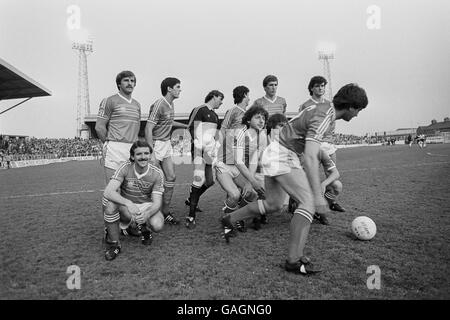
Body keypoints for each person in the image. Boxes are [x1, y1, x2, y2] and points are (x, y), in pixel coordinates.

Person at [220, 83, 368, 275]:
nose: (357, 115)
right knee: (307, 203)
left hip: (276, 151)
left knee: (273, 204)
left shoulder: (323, 110)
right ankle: (293, 260)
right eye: (359, 110)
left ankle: (229, 219)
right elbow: (310, 156)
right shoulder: (326, 115)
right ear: (352, 107)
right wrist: (317, 195)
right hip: (283, 154)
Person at [102, 140, 165, 261]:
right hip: (127, 206)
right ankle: (115, 244)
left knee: (158, 225)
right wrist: (128, 203)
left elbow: (157, 202)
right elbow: (108, 192)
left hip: (146, 205)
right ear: (132, 156)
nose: (143, 157)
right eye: (139, 154)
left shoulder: (157, 173)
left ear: (150, 155)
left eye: (146, 153)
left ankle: (143, 227)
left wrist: (147, 214)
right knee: (110, 204)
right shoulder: (125, 167)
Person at [216, 88, 268, 232]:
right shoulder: (240, 132)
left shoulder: (262, 136)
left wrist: (250, 184)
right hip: (224, 165)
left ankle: (235, 217)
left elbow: (253, 160)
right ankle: (227, 220)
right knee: (235, 194)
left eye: (263, 118)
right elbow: (238, 161)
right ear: (249, 119)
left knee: (251, 193)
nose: (261, 120)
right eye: (258, 117)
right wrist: (252, 181)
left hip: (238, 168)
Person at [145, 77, 187, 225]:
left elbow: (168, 121)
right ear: (169, 89)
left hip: (167, 143)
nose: (180, 89)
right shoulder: (159, 104)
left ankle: (165, 211)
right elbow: (148, 127)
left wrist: (184, 126)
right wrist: (151, 151)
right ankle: (147, 213)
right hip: (156, 145)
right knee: (154, 181)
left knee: (171, 177)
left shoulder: (171, 104)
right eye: (178, 86)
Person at [184, 90, 223, 228]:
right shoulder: (200, 109)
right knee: (199, 178)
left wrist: (214, 147)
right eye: (220, 99)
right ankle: (191, 216)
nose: (221, 102)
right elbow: (191, 128)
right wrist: (199, 144)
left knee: (210, 181)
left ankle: (191, 198)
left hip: (209, 151)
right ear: (213, 96)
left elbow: (214, 135)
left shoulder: (215, 116)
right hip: (199, 149)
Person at [95, 71, 141, 183]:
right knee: (113, 189)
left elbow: (137, 128)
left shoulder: (137, 104)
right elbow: (99, 127)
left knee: (130, 189)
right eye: (126, 80)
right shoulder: (109, 101)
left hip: (132, 149)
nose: (130, 83)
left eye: (132, 81)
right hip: (114, 148)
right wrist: (109, 144)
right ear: (119, 84)